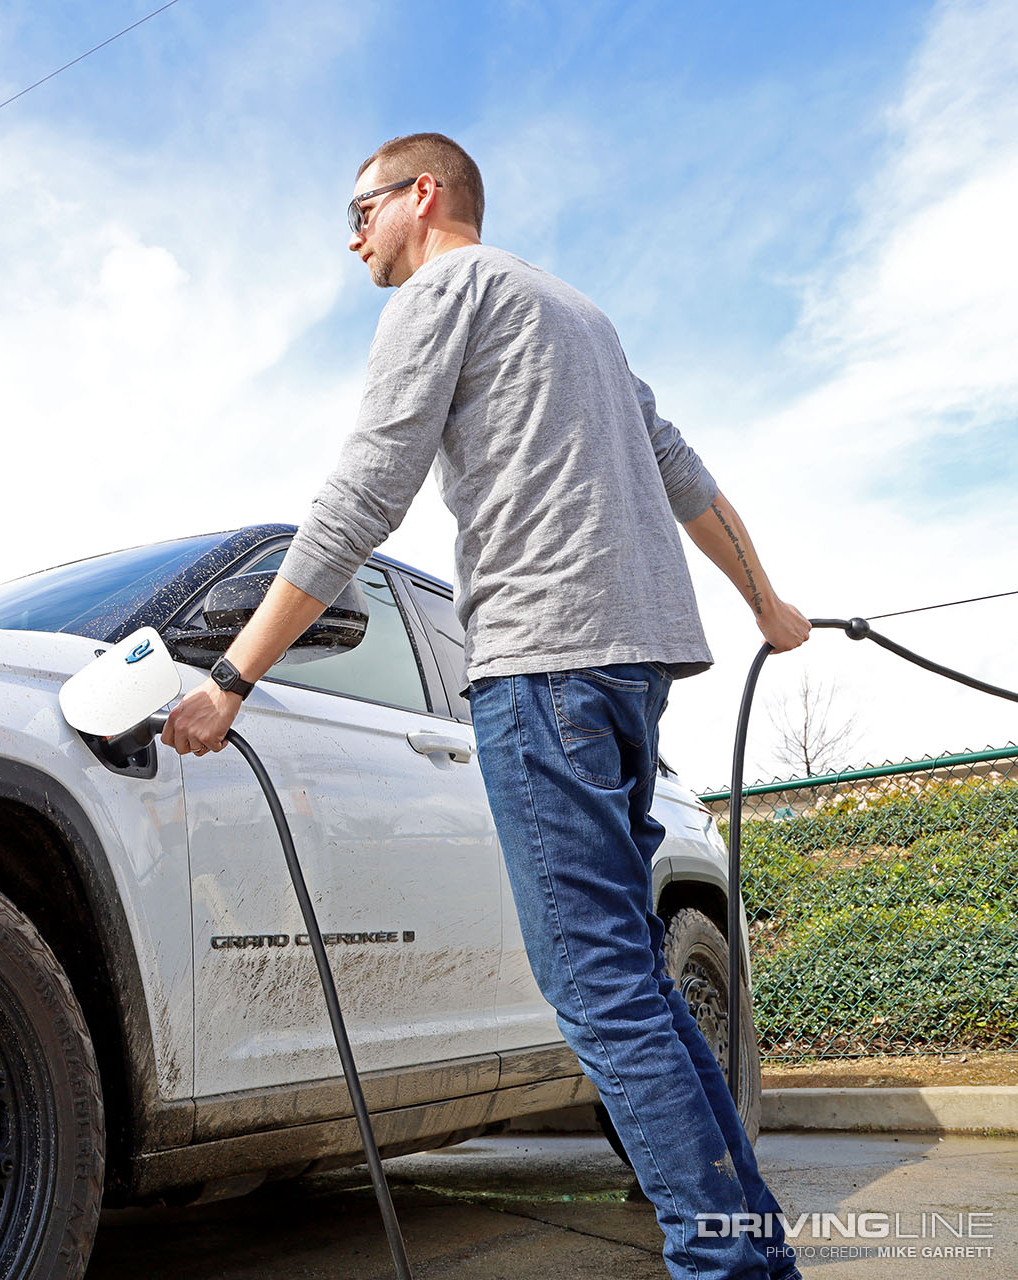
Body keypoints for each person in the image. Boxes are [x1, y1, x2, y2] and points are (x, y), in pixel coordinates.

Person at [161, 132, 811, 1280]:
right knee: (637, 977)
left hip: (543, 664)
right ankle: (753, 1257)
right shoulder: (581, 317)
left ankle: (725, 1269)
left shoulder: (445, 288)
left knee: (599, 985)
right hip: (634, 671)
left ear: (423, 196)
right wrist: (766, 602)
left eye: (361, 210)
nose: (351, 235)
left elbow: (366, 492)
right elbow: (684, 472)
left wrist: (231, 676)